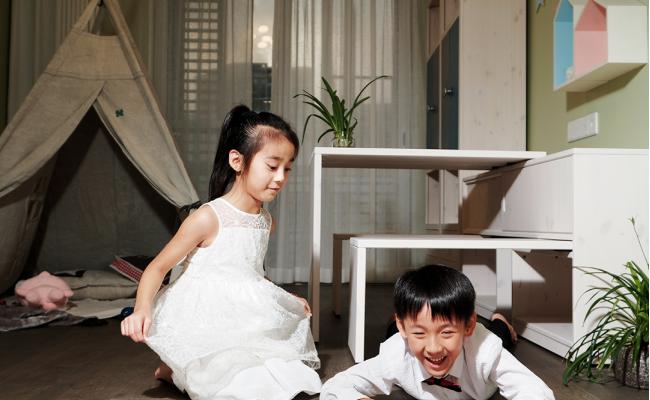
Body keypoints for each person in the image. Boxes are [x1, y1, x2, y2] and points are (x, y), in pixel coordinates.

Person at [121, 105, 321, 399]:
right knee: (234, 384)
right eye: (272, 166)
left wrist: (283, 297)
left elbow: (251, 274)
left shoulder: (266, 221)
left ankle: (179, 369)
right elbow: (158, 267)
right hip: (204, 315)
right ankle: (174, 369)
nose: (280, 177)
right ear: (237, 161)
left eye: (287, 168)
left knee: (288, 374)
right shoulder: (208, 217)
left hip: (243, 313)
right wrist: (142, 309)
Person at [320, 265, 554, 400]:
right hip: (404, 341)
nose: (434, 348)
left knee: (497, 335)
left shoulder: (485, 352)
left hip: (478, 341)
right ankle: (401, 324)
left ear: (467, 325)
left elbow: (536, 391)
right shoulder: (396, 355)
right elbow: (334, 387)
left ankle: (500, 320)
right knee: (395, 338)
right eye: (420, 333)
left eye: (446, 332)